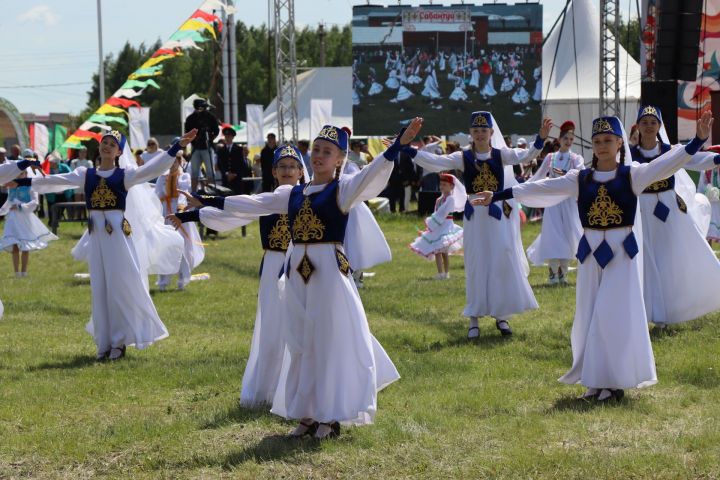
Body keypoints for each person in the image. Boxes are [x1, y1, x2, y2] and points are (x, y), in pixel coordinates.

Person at [186, 122, 415, 439]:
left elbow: (370, 177)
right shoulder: (292, 194)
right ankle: (307, 414)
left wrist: (395, 147)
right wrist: (210, 200)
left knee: (327, 342)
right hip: (296, 276)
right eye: (317, 150)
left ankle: (329, 417)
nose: (319, 156)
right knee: (299, 343)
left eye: (327, 152)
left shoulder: (342, 190)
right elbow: (256, 204)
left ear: (339, 159)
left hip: (329, 276)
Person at [475, 113, 712, 401]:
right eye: (597, 141)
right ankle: (595, 379)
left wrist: (698, 140)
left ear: (619, 143)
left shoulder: (633, 175)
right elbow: (539, 188)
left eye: (608, 141)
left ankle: (614, 382)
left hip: (622, 254)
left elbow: (666, 164)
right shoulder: (581, 178)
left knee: (614, 314)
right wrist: (498, 195)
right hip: (589, 254)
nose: (602, 146)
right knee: (588, 314)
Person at [11, 129, 196, 361]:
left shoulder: (125, 175)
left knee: (121, 285)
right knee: (100, 288)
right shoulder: (85, 174)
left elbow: (151, 170)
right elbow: (56, 181)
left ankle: (119, 342)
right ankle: (104, 341)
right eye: (104, 142)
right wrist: (23, 180)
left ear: (119, 151)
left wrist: (176, 146)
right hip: (97, 237)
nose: (107, 146)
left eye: (112, 144)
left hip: (118, 236)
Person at [170, 144, 307, 408]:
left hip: (300, 265)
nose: (288, 171)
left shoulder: (308, 198)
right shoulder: (265, 199)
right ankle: (268, 391)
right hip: (272, 265)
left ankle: (295, 392)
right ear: (274, 171)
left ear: (301, 171)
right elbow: (235, 213)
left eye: (293, 166)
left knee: (298, 325)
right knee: (271, 326)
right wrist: (187, 215)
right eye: (283, 166)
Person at [402, 111, 549, 339]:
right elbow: (435, 162)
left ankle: (501, 315)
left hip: (496, 215)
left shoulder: (502, 155)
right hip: (475, 218)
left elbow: (527, 155)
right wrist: (406, 148)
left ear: (491, 133)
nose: (480, 134)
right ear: (470, 133)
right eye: (476, 130)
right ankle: (474, 317)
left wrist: (540, 138)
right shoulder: (464, 157)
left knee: (500, 261)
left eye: (484, 130)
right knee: (476, 263)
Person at [630, 105, 720, 328]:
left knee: (672, 261)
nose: (649, 126)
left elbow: (697, 160)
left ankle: (674, 309)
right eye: (644, 122)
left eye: (653, 122)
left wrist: (715, 157)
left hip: (670, 211)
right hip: (642, 212)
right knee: (647, 262)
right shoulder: (629, 154)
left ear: (659, 126)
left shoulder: (672, 150)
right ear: (638, 126)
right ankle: (653, 313)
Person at [525, 121, 584, 284]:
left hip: (568, 202)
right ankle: (552, 275)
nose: (569, 141)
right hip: (552, 203)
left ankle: (563, 275)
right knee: (552, 236)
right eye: (566, 138)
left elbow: (581, 174)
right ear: (559, 138)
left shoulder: (576, 158)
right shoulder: (551, 157)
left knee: (568, 236)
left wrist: (566, 175)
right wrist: (524, 187)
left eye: (571, 139)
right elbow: (538, 176)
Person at [154, 152, 204, 291]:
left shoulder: (184, 176)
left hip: (180, 214)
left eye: (175, 161)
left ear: (179, 162)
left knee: (181, 246)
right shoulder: (162, 178)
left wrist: (180, 213)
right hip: (166, 214)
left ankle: (182, 279)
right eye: (170, 161)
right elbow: (157, 195)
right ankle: (163, 281)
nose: (172, 164)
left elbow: (182, 194)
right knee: (165, 247)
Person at [0, 169, 57, 277]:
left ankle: (24, 272)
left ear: (26, 174)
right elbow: (9, 201)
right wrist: (2, 210)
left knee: (26, 245)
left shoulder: (31, 186)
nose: (18, 175)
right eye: (16, 174)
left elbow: (35, 203)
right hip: (13, 219)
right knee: (14, 245)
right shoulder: (11, 186)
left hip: (25, 218)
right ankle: (16, 273)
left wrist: (20, 206)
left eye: (21, 173)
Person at [409, 173, 464, 279]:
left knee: (444, 252)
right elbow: (437, 213)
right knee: (437, 251)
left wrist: (431, 222)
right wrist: (430, 228)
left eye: (445, 185)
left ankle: (446, 273)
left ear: (451, 186)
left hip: (446, 227)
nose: (442, 187)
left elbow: (442, 213)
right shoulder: (439, 200)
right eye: (441, 184)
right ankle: (440, 273)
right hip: (438, 227)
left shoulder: (450, 200)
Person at [184, 98, 220, 191]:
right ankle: (194, 193)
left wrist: (210, 139)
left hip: (207, 147)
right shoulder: (190, 119)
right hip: (195, 147)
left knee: (210, 172)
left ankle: (211, 193)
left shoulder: (210, 117)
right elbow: (187, 133)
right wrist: (195, 139)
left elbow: (216, 131)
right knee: (194, 172)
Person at [216, 124, 251, 194]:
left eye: (229, 136)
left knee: (237, 199)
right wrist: (226, 173)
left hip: (237, 180)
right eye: (226, 136)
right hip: (226, 180)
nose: (227, 137)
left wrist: (235, 174)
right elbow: (220, 164)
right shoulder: (221, 150)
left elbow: (242, 164)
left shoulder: (239, 149)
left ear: (232, 137)